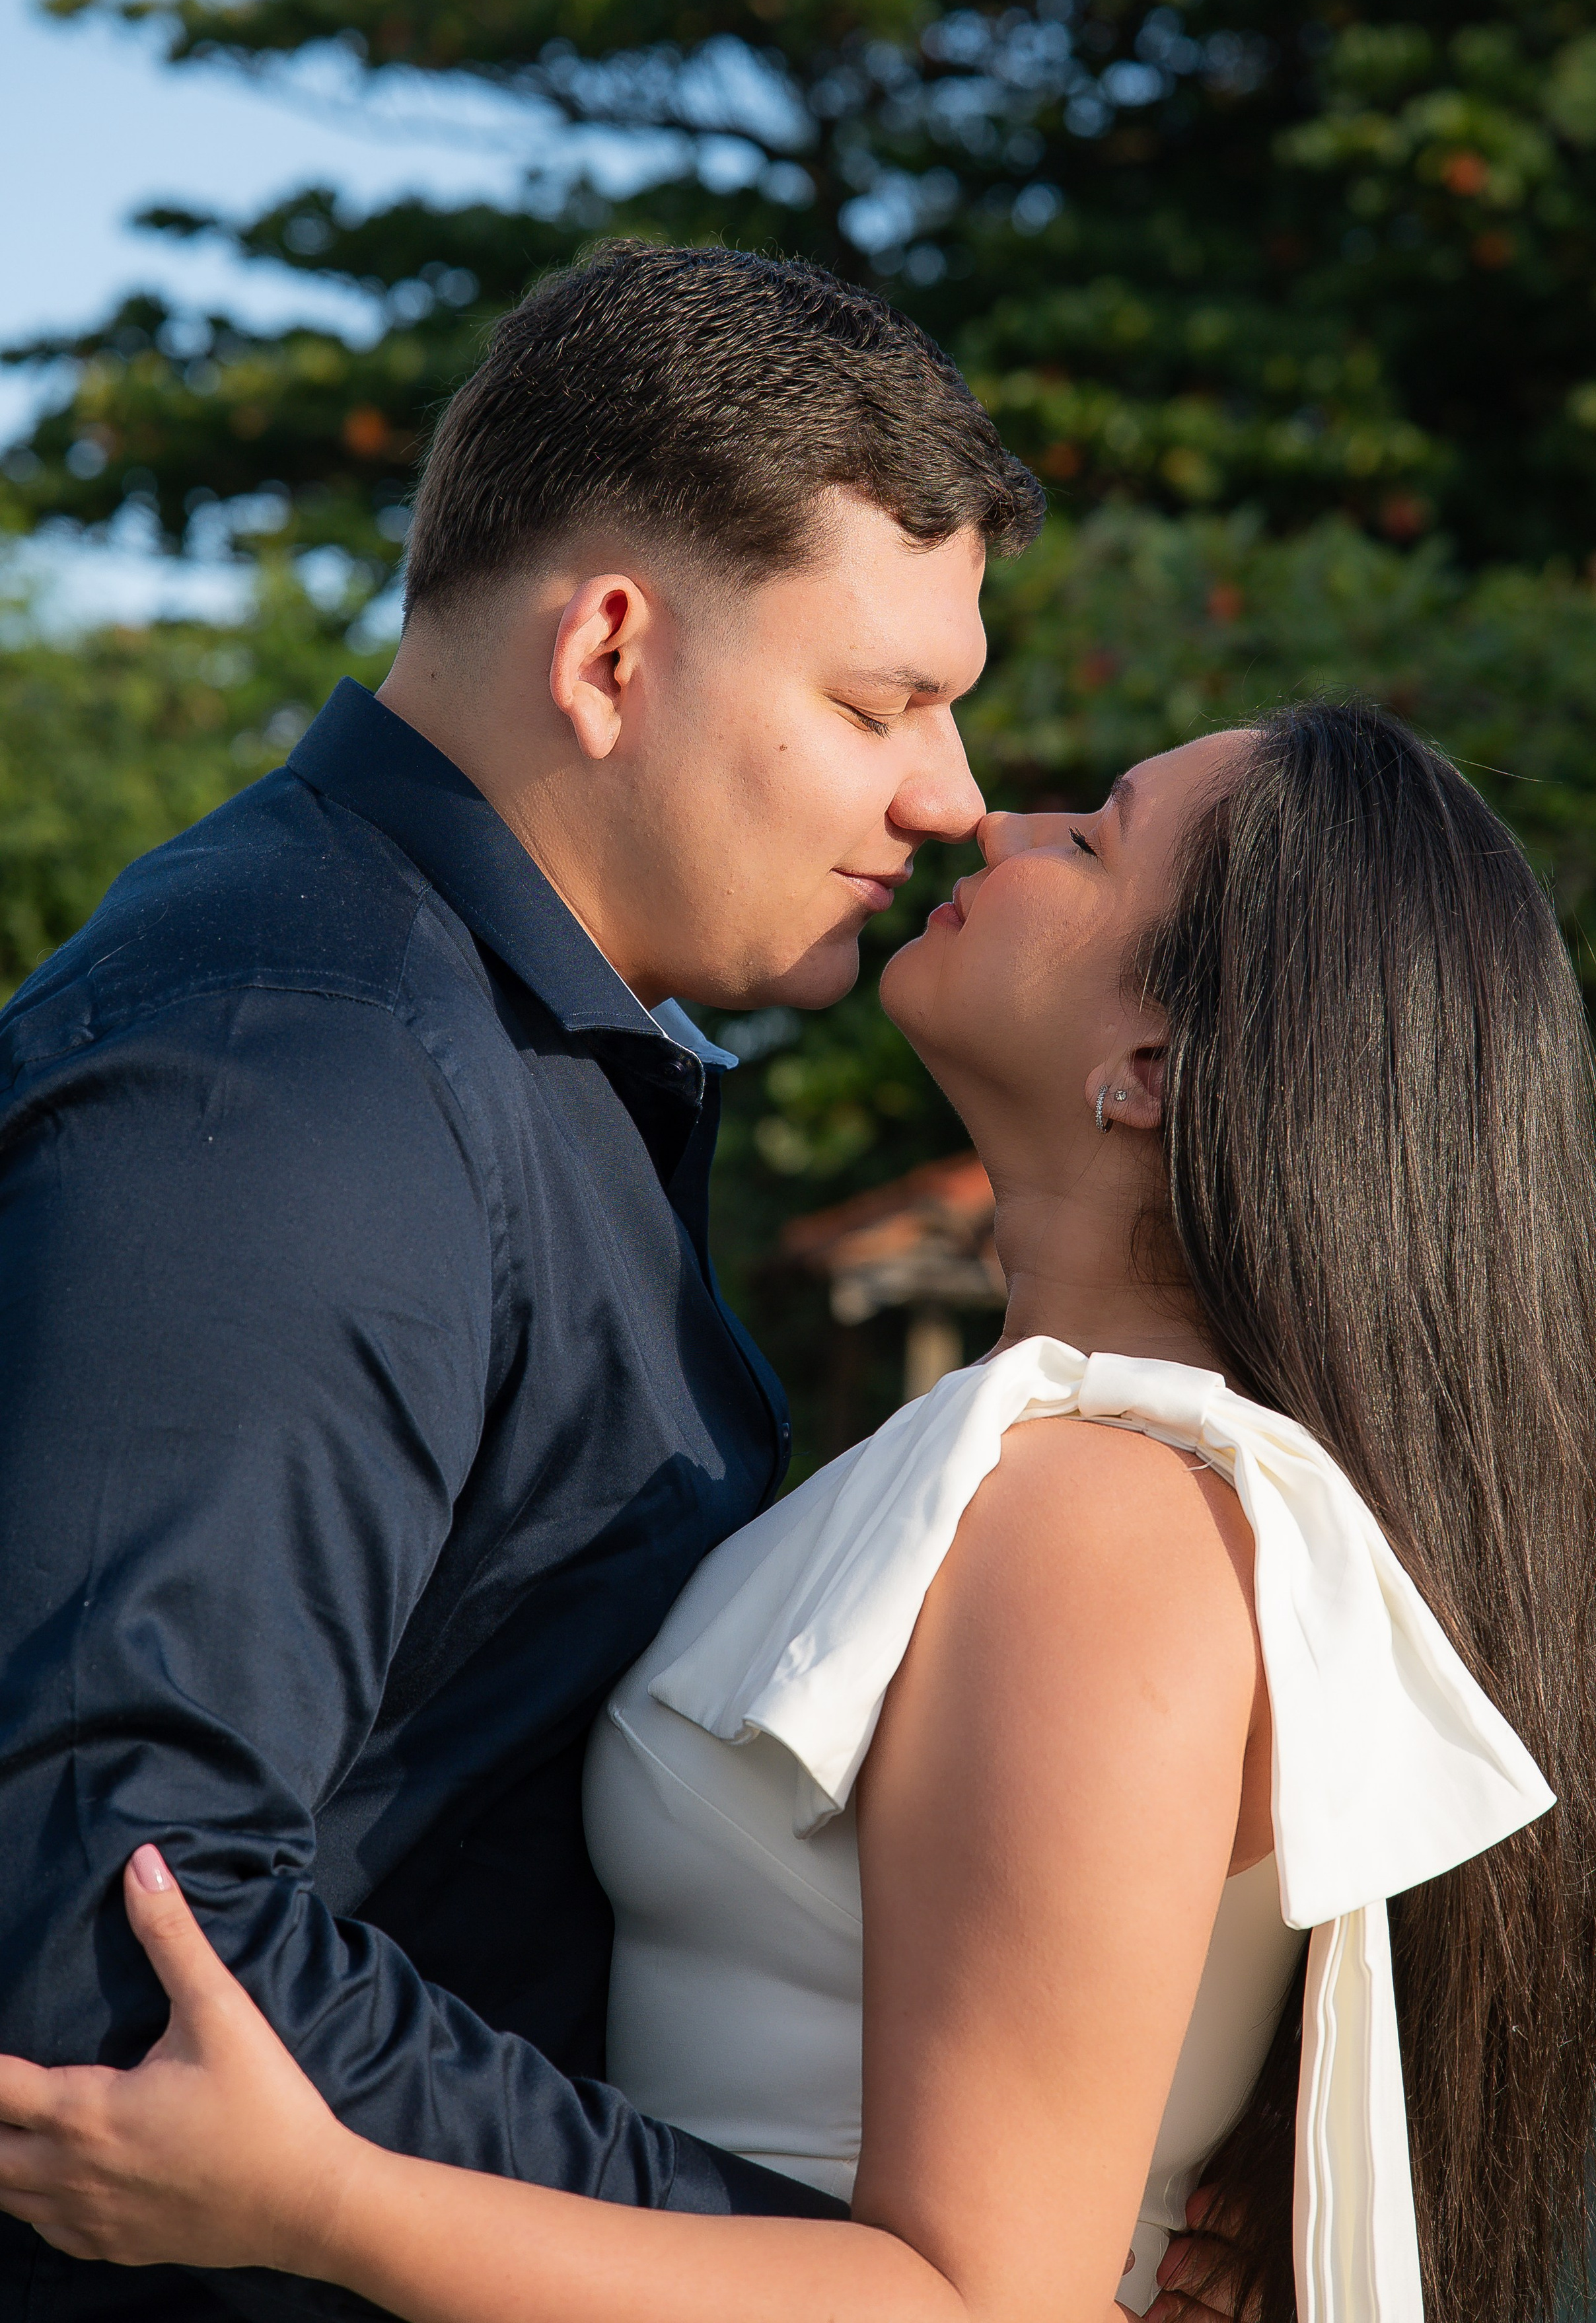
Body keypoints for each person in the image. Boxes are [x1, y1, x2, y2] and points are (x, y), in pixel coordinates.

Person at [0, 703, 1596, 2323]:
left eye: (1084, 840)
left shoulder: (1101, 1523)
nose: (980, 817)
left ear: (1147, 1066)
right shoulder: (1033, 1472)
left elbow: (973, 2300)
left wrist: (328, 2203)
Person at [0, 240, 1054, 2321]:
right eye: (879, 704)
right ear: (608, 657)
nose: (948, 802)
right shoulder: (297, 1078)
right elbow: (110, 1950)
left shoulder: (491, 1052)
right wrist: (822, 2270)